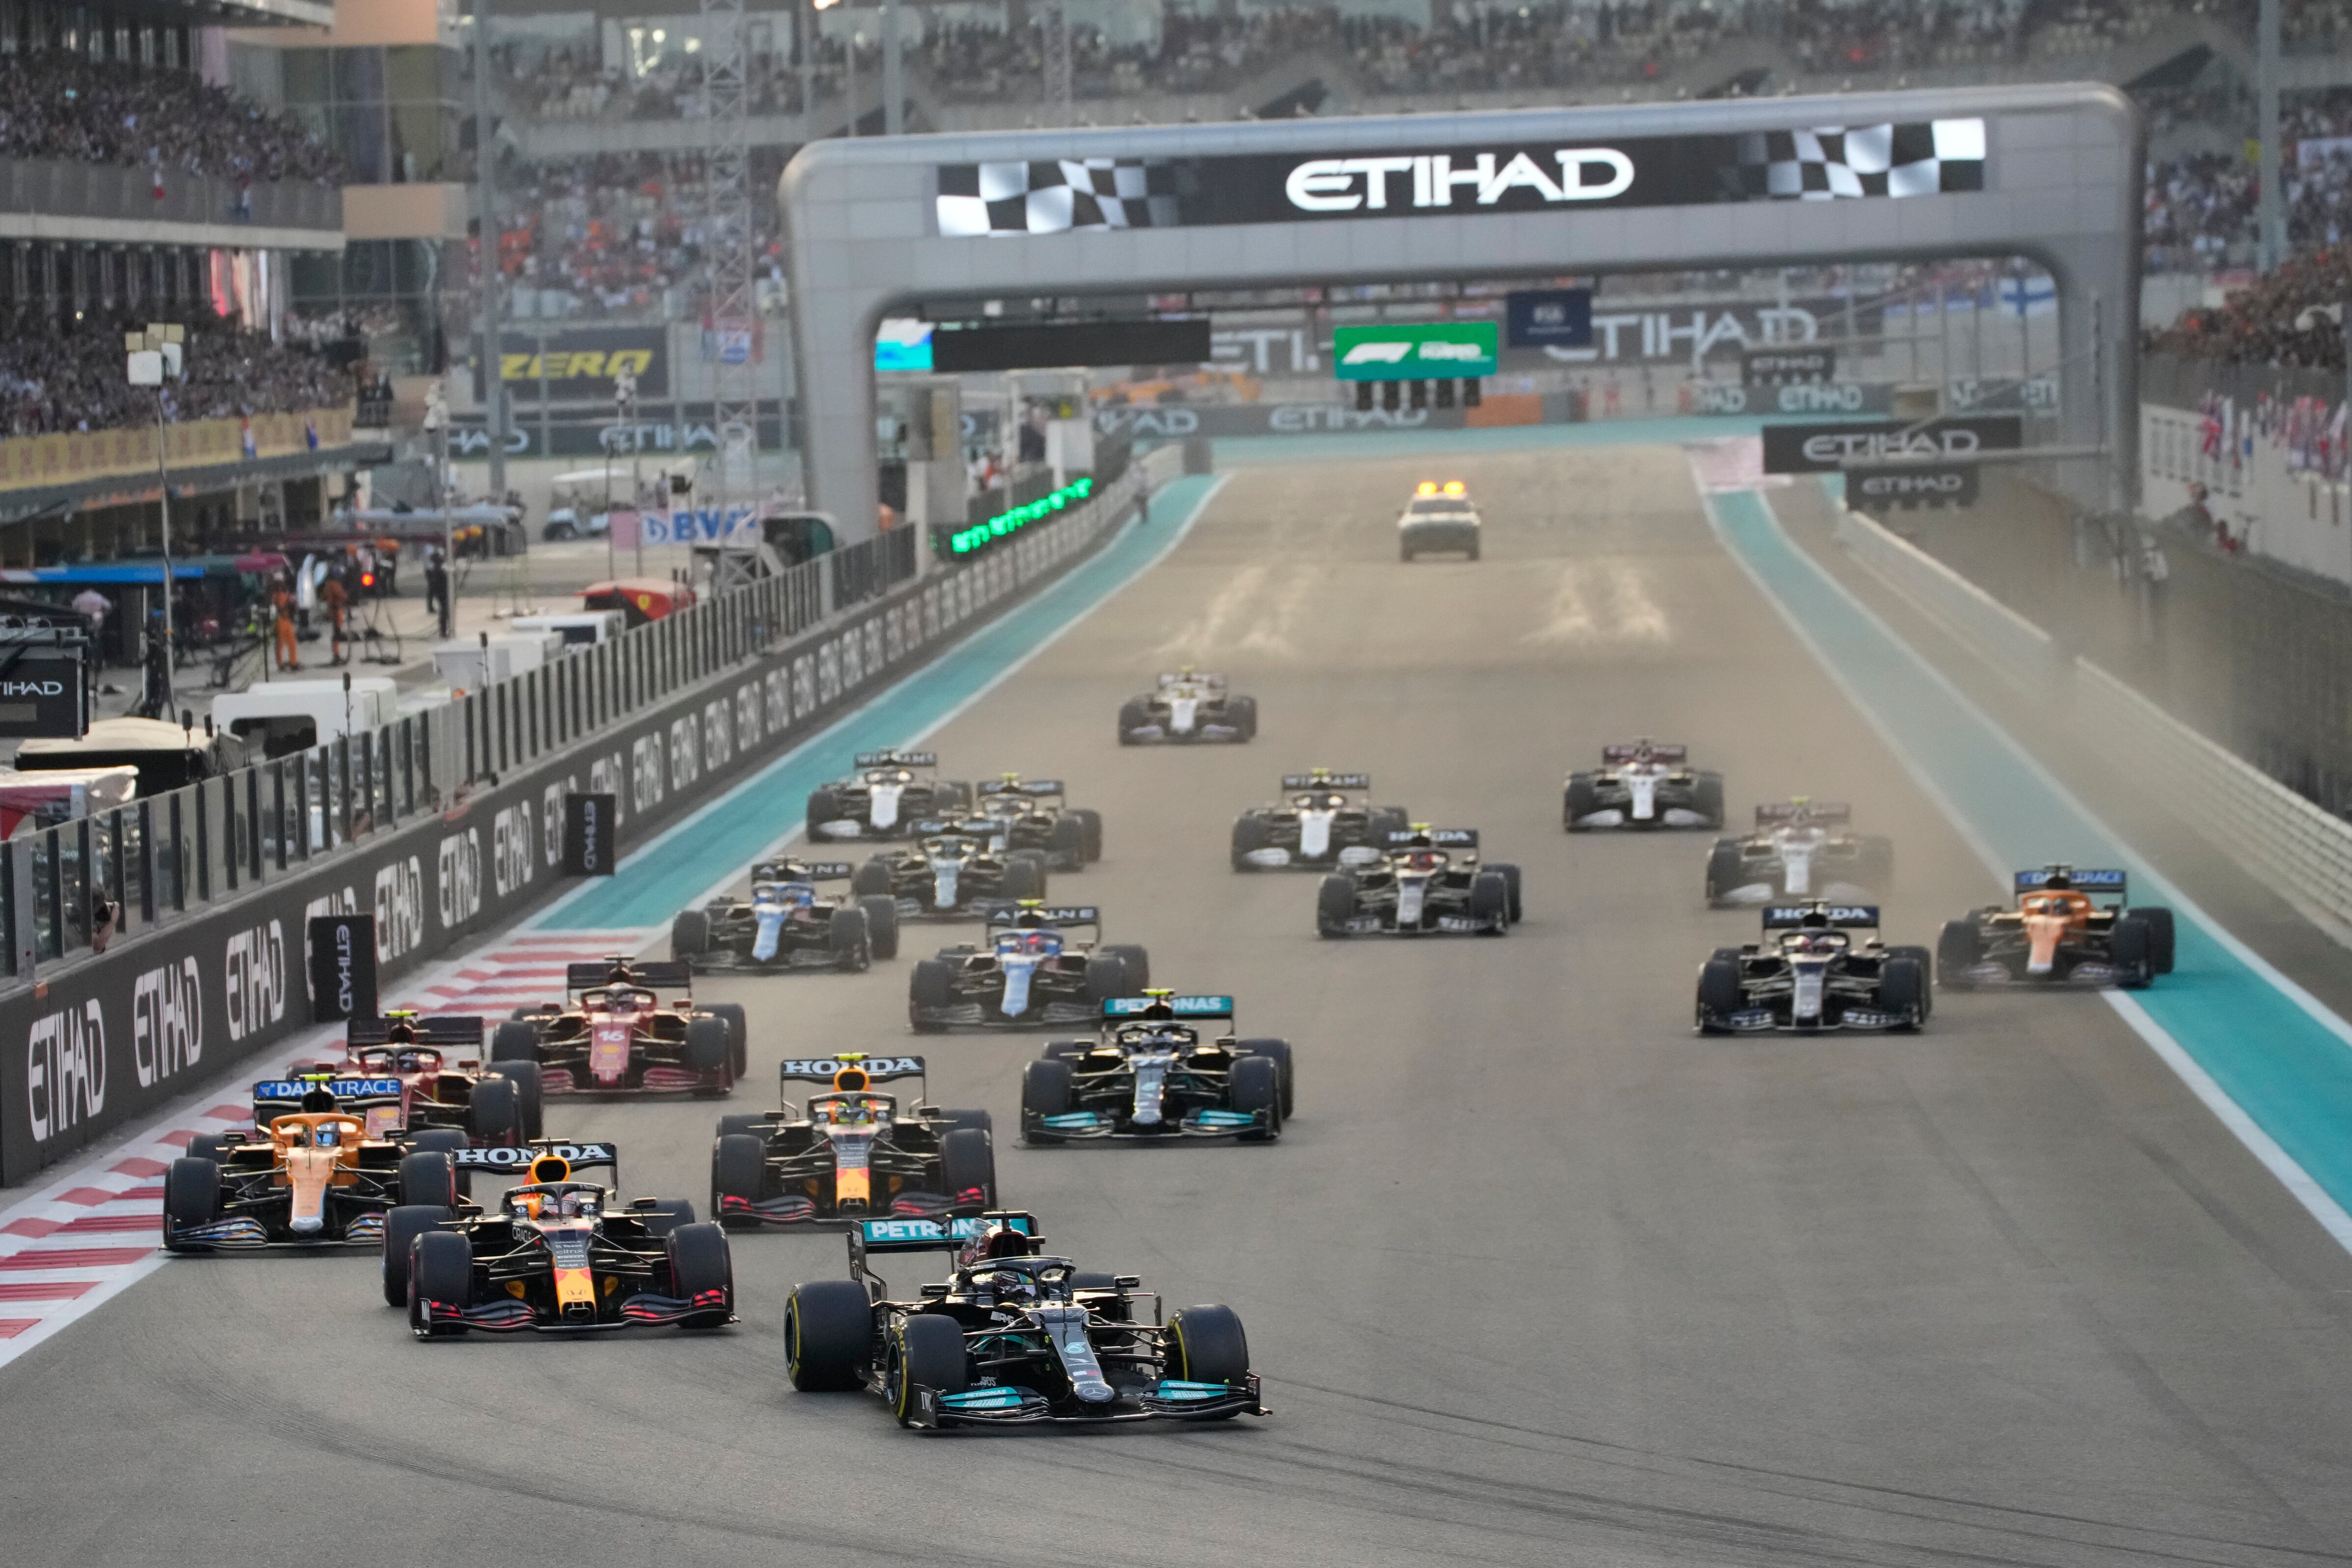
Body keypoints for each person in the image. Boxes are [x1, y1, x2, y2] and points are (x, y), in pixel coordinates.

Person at [318, 568, 348, 665]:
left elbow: (323, 597)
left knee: (336, 633)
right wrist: (348, 596)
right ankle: (336, 655)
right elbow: (342, 596)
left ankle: (336, 654)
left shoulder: (328, 585)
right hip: (336, 611)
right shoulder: (334, 585)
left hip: (332, 610)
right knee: (337, 634)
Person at [273, 576, 299, 672]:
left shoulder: (283, 595)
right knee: (281, 644)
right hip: (281, 621)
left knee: (291, 642)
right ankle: (282, 664)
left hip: (287, 621)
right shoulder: (277, 596)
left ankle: (293, 662)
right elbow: (280, 606)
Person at [424, 547, 450, 639]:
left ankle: (444, 630)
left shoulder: (438, 569)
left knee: (445, 611)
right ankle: (443, 631)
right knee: (444, 611)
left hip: (441, 592)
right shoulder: (438, 570)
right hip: (442, 592)